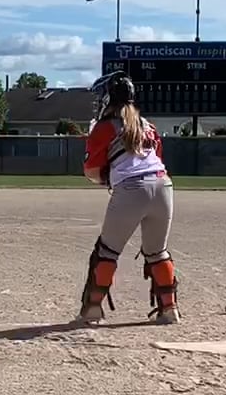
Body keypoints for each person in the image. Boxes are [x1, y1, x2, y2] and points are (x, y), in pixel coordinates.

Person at [75, 72, 180, 326]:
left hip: (132, 189)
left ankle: (92, 310)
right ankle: (170, 309)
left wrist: (108, 178)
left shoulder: (105, 127)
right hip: (163, 186)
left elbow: (91, 171)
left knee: (107, 252)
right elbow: (156, 160)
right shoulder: (148, 126)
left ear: (108, 98)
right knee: (157, 252)